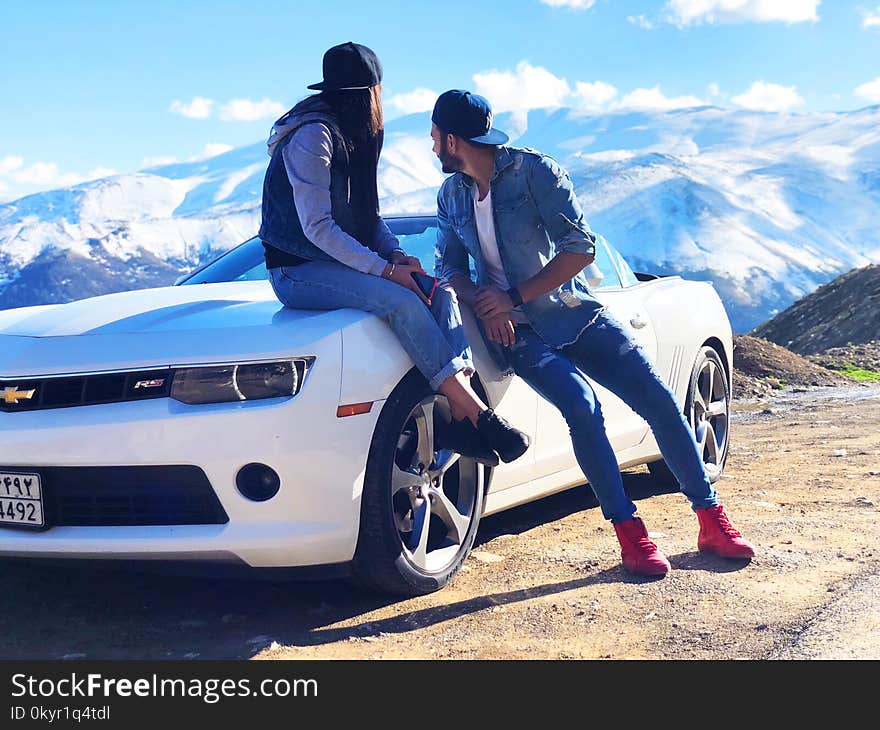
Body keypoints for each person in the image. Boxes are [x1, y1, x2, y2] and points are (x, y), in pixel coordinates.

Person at [431, 89, 754, 576]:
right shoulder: (451, 195)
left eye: (434, 138)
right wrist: (486, 303)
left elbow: (581, 249)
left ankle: (711, 519)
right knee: (583, 409)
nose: (432, 147)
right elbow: (448, 267)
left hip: (572, 313)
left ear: (452, 140)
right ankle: (631, 535)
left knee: (659, 399)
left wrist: (513, 296)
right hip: (516, 334)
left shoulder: (534, 171)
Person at [258, 44, 529, 465]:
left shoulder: (351, 135)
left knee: (440, 293)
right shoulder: (314, 136)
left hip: (340, 264)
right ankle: (478, 414)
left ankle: (460, 415)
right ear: (369, 94)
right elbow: (318, 228)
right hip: (297, 269)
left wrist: (398, 257)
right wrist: (386, 271)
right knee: (401, 299)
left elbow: (367, 218)